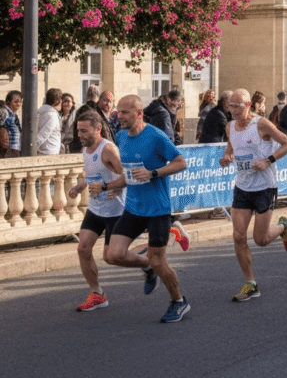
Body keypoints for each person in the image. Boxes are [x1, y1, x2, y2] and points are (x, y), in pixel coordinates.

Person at [105, 95, 190, 323]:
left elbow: (181, 162)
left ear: (139, 113)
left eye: (124, 112)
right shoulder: (121, 137)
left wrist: (154, 173)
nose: (119, 116)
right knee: (113, 255)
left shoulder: (155, 136)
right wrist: (111, 187)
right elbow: (130, 173)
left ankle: (179, 301)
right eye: (118, 112)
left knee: (159, 260)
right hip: (134, 207)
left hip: (158, 209)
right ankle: (148, 267)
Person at [219, 89, 287, 302]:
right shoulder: (230, 127)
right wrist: (227, 157)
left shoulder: (261, 124)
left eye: (237, 106)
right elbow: (230, 149)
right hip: (242, 187)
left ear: (247, 106)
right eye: (230, 106)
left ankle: (283, 226)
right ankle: (250, 283)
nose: (232, 110)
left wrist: (268, 160)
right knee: (238, 236)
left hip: (264, 187)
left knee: (260, 239)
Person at [67, 111, 125, 311]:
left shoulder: (108, 150)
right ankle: (97, 294)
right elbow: (90, 174)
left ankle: (149, 261)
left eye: (84, 131)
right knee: (83, 249)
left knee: (112, 257)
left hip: (116, 210)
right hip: (96, 209)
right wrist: (79, 187)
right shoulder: (86, 149)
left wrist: (113, 188)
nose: (79, 135)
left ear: (98, 129)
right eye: (78, 130)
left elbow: (126, 177)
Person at [36, 88, 63, 155]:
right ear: (59, 101)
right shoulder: (52, 116)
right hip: (48, 152)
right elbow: (42, 135)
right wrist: (33, 148)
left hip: (44, 151)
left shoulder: (40, 112)